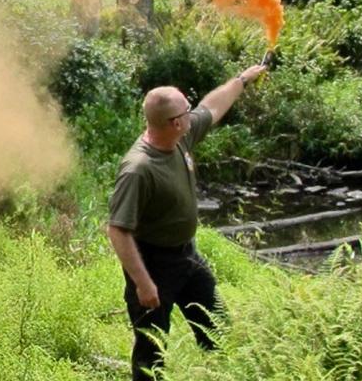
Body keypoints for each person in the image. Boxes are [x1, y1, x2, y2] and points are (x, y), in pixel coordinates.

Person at [106, 64, 268, 381]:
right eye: (186, 110)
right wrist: (143, 283)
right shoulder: (138, 169)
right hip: (152, 264)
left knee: (218, 329)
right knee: (151, 353)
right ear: (175, 122)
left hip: (186, 257)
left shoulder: (180, 136)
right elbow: (118, 231)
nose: (192, 114)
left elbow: (212, 107)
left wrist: (243, 80)